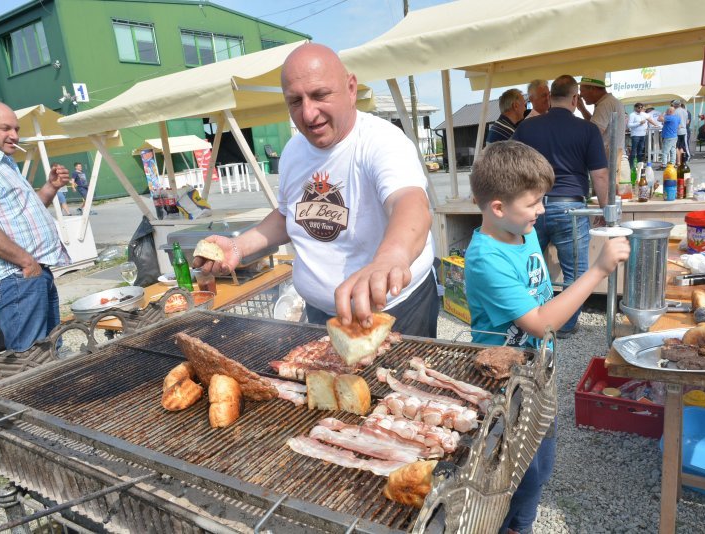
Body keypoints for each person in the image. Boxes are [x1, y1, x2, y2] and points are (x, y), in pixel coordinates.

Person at [193, 43, 438, 336]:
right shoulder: (294, 151)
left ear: (350, 88)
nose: (308, 114)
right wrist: (237, 246)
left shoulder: (382, 141)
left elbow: (410, 204)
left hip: (394, 310)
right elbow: (289, 215)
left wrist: (390, 258)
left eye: (320, 95)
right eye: (295, 101)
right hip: (320, 314)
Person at [464, 140, 630, 534]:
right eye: (533, 202)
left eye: (543, 199)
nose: (542, 210)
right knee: (516, 472)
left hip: (539, 370)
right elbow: (540, 322)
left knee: (541, 461)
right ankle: (513, 527)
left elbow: (540, 296)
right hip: (508, 384)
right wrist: (598, 271)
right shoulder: (486, 258)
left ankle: (525, 521)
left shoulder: (523, 232)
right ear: (498, 208)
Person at [512, 75, 609, 337]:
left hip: (531, 207)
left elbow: (511, 168)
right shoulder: (587, 130)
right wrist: (606, 210)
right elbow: (599, 174)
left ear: (550, 97)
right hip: (571, 209)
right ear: (575, 99)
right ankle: (564, 325)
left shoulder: (526, 128)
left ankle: (525, 321)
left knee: (525, 267)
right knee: (575, 273)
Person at [0, 100, 71, 352]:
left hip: (31, 275)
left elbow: (23, 212)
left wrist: (51, 188)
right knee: (32, 358)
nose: (14, 135)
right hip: (16, 278)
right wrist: (27, 262)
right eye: (5, 128)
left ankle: (57, 392)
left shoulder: (4, 163)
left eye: (17, 129)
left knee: (50, 352)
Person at [576, 70, 626, 158]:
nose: (581, 95)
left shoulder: (605, 105)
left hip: (611, 162)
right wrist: (582, 109)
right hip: (615, 160)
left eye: (582, 91)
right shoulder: (609, 102)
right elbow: (595, 127)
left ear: (592, 89)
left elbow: (593, 133)